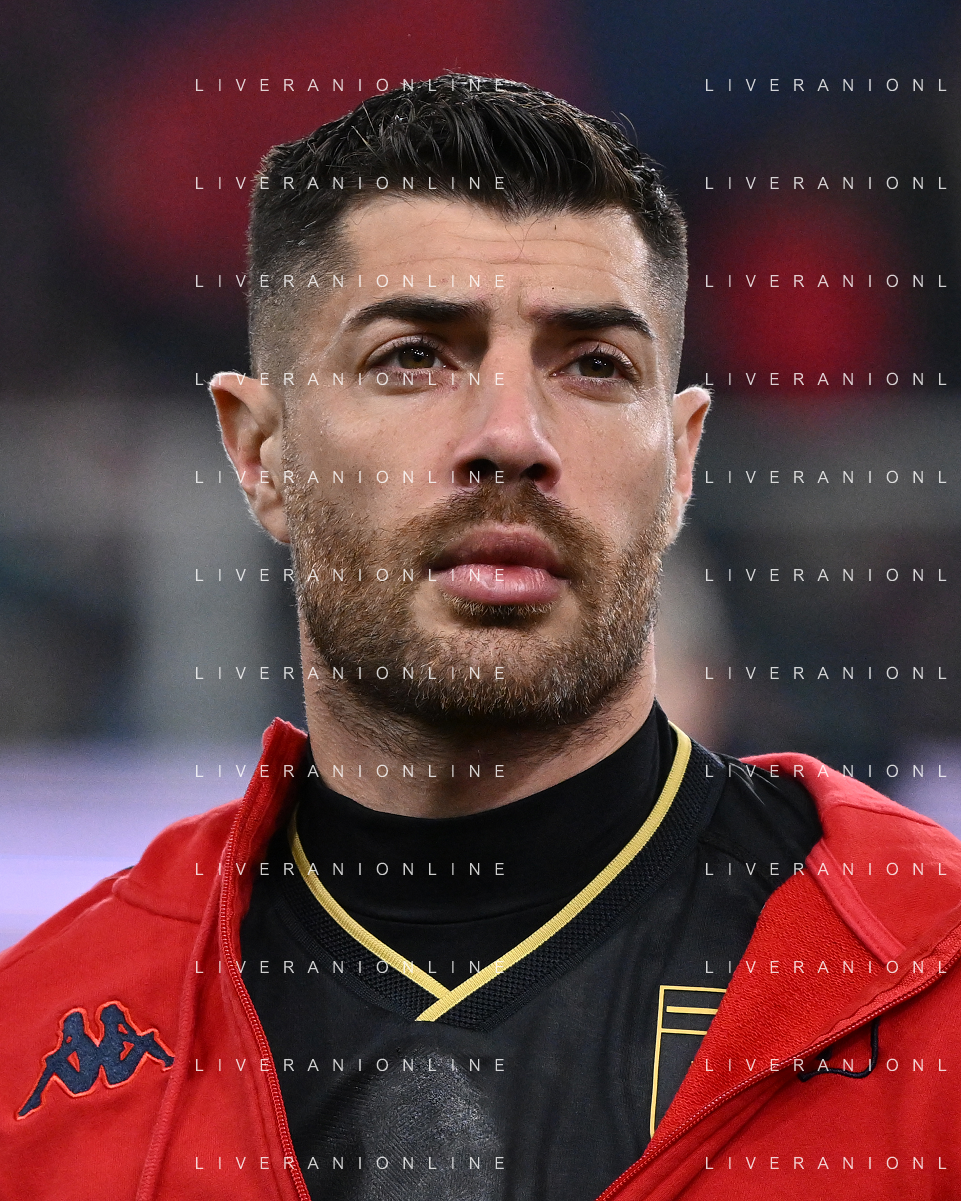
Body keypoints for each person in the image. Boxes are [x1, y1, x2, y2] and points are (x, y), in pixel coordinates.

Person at [3, 74, 959, 1201]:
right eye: (413, 356)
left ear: (682, 461)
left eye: (593, 365)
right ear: (261, 453)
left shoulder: (937, 983)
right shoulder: (34, 1048)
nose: (510, 435)